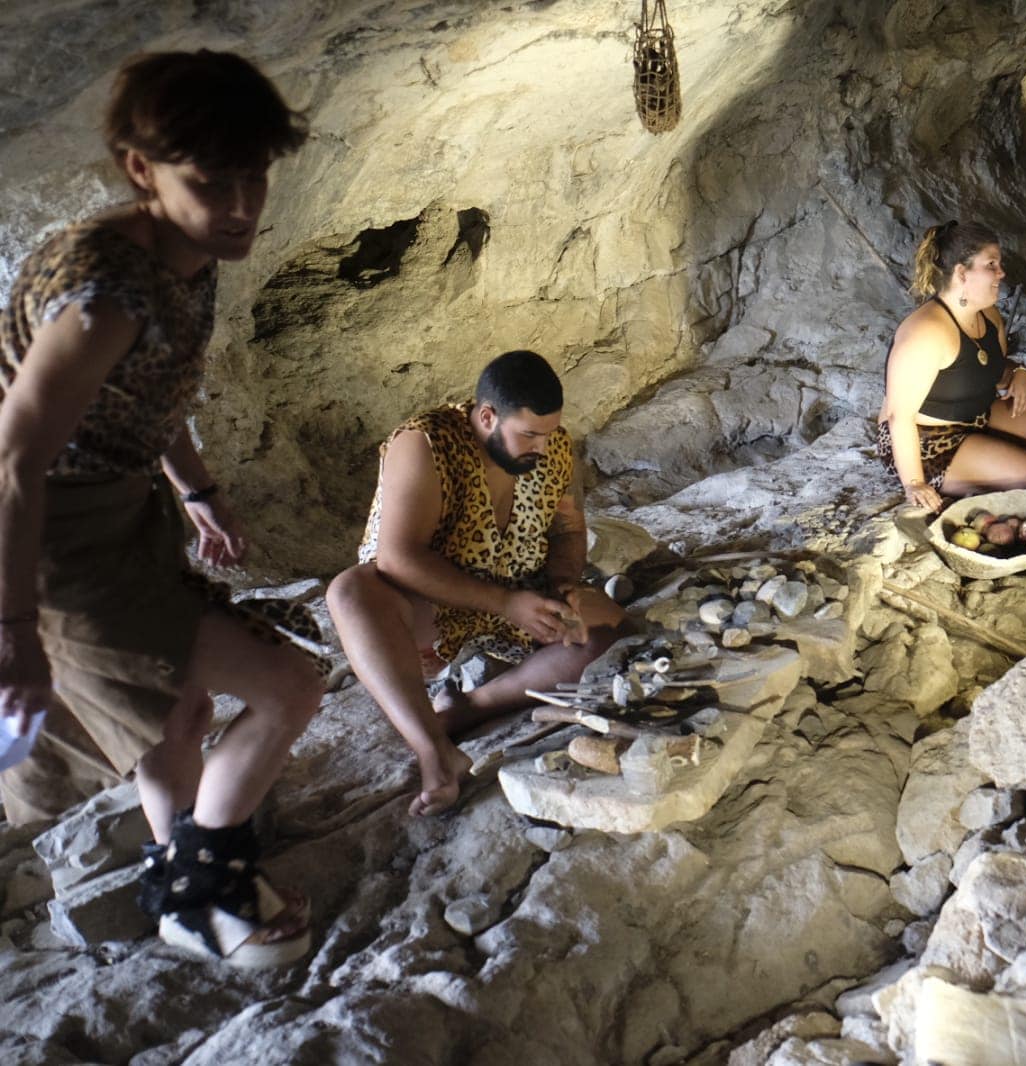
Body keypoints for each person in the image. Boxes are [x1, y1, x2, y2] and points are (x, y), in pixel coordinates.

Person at [0, 51, 324, 967]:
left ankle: (186, 888)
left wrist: (195, 490)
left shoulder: (187, 247)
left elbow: (148, 393)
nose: (241, 205)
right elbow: (14, 459)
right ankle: (202, 877)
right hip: (53, 536)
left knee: (175, 715)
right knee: (289, 688)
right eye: (211, 181)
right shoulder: (105, 296)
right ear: (141, 169)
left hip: (118, 509)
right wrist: (14, 626)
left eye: (254, 175)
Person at [327, 350, 627, 817]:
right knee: (350, 592)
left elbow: (568, 529)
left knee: (602, 638)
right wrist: (506, 603)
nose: (543, 448)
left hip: (518, 599)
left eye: (548, 434)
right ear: (487, 416)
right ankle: (435, 750)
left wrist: (566, 588)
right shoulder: (425, 442)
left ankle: (463, 712)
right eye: (529, 434)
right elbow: (397, 558)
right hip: (434, 605)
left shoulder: (553, 447)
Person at [875, 220, 1026, 521]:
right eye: (991, 264)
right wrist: (914, 482)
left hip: (977, 415)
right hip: (927, 442)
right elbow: (898, 417)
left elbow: (988, 369)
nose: (1001, 273)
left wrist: (1019, 372)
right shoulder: (926, 334)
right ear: (961, 272)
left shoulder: (988, 316)